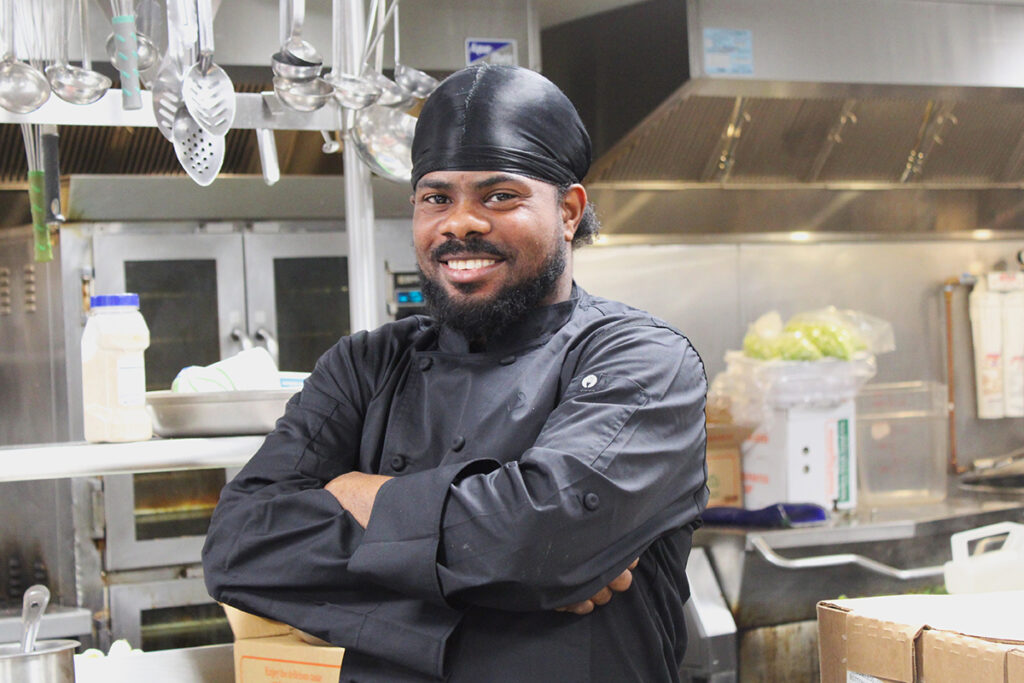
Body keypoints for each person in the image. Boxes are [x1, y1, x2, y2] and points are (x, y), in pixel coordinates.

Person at [202, 63, 708, 682]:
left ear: (570, 212)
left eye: (500, 196)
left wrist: (356, 492)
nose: (460, 222)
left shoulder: (642, 359)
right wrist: (512, 573)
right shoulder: (365, 366)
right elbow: (238, 547)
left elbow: (535, 539)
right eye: (436, 197)